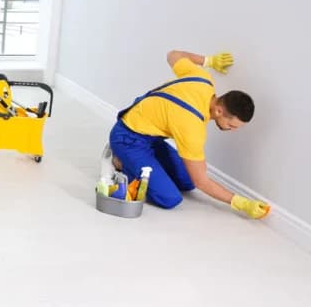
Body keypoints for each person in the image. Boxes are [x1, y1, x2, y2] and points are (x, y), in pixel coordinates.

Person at [109, 49, 270, 219]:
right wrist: (242, 203)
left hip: (150, 136)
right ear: (219, 110)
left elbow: (173, 55)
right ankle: (120, 161)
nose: (233, 130)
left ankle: (144, 162)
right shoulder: (192, 127)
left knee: (187, 181)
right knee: (169, 198)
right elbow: (202, 181)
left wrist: (209, 61)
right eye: (232, 125)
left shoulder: (203, 80)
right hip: (127, 138)